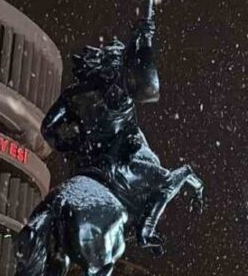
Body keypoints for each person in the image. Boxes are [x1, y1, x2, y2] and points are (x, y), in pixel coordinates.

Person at [40, 17, 196, 253]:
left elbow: (48, 129)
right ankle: (146, 231)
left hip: (87, 164)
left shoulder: (73, 94)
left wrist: (73, 147)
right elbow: (146, 86)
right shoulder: (117, 95)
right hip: (118, 164)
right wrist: (141, 40)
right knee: (166, 181)